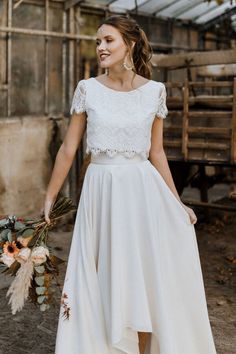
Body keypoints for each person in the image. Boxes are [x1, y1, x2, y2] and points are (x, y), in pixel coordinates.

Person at [44, 15, 217, 354]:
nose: (100, 48)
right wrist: (50, 196)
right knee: (104, 273)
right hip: (100, 190)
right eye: (98, 42)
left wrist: (176, 202)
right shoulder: (87, 88)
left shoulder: (155, 92)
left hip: (141, 192)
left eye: (108, 40)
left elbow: (156, 152)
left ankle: (141, 346)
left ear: (130, 44)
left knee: (139, 275)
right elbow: (69, 148)